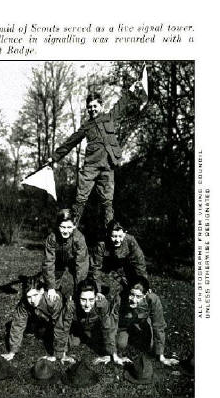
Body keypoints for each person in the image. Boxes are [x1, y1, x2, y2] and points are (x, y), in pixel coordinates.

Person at [48, 78, 148, 229]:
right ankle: (70, 230)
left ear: (101, 106)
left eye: (95, 106)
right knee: (80, 200)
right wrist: (54, 157)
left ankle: (111, 234)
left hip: (108, 167)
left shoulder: (109, 118)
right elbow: (70, 141)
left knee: (107, 203)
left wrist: (133, 89)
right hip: (90, 167)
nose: (92, 109)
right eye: (89, 107)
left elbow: (122, 103)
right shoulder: (86, 126)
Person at [53, 278, 130, 365]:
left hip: (95, 331)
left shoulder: (102, 304)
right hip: (79, 330)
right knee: (73, 342)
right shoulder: (71, 305)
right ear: (78, 297)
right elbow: (62, 327)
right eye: (83, 300)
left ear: (96, 297)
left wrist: (113, 354)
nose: (87, 304)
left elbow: (108, 328)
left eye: (91, 300)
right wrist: (60, 354)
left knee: (118, 343)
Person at [113, 276, 179, 366]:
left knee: (150, 346)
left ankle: (136, 334)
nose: (133, 299)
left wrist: (161, 357)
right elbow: (111, 325)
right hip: (123, 325)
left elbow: (158, 326)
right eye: (131, 295)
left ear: (146, 294)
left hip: (141, 322)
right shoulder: (119, 299)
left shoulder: (152, 300)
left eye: (138, 296)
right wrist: (114, 355)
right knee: (120, 344)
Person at [1, 274, 62, 361]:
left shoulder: (53, 301)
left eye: (35, 295)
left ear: (41, 291)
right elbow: (18, 324)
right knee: (37, 332)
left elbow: (61, 326)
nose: (32, 300)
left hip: (61, 319)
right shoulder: (25, 303)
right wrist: (12, 352)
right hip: (42, 318)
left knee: (69, 340)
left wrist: (58, 354)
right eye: (29, 297)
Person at [90, 220, 147, 298]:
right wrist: (98, 290)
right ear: (108, 234)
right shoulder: (101, 244)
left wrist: (144, 285)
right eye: (114, 236)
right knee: (110, 292)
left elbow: (139, 264)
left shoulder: (130, 241)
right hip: (107, 271)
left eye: (120, 236)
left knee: (132, 290)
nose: (117, 240)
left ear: (125, 233)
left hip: (126, 268)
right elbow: (96, 268)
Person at [42, 208, 89, 302]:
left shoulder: (79, 239)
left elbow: (81, 265)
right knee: (51, 290)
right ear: (57, 225)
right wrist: (51, 287)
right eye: (62, 227)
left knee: (82, 285)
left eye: (69, 227)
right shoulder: (52, 238)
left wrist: (79, 290)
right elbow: (48, 262)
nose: (65, 231)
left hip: (73, 260)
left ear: (74, 226)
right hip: (58, 260)